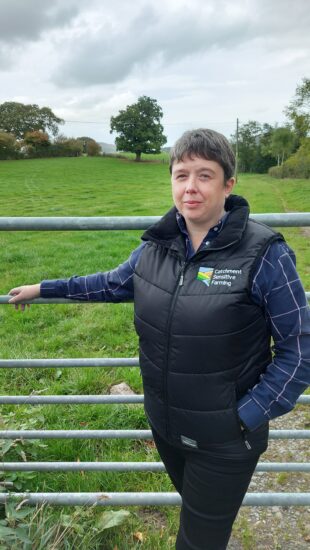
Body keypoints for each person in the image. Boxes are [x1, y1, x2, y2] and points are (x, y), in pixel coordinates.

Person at [9, 129, 310, 550]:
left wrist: (246, 414)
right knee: (200, 521)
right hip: (168, 428)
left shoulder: (263, 253)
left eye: (205, 175)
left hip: (225, 438)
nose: (190, 187)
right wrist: (44, 288)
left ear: (228, 185)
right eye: (181, 174)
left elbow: (300, 348)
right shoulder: (157, 247)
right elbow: (109, 283)